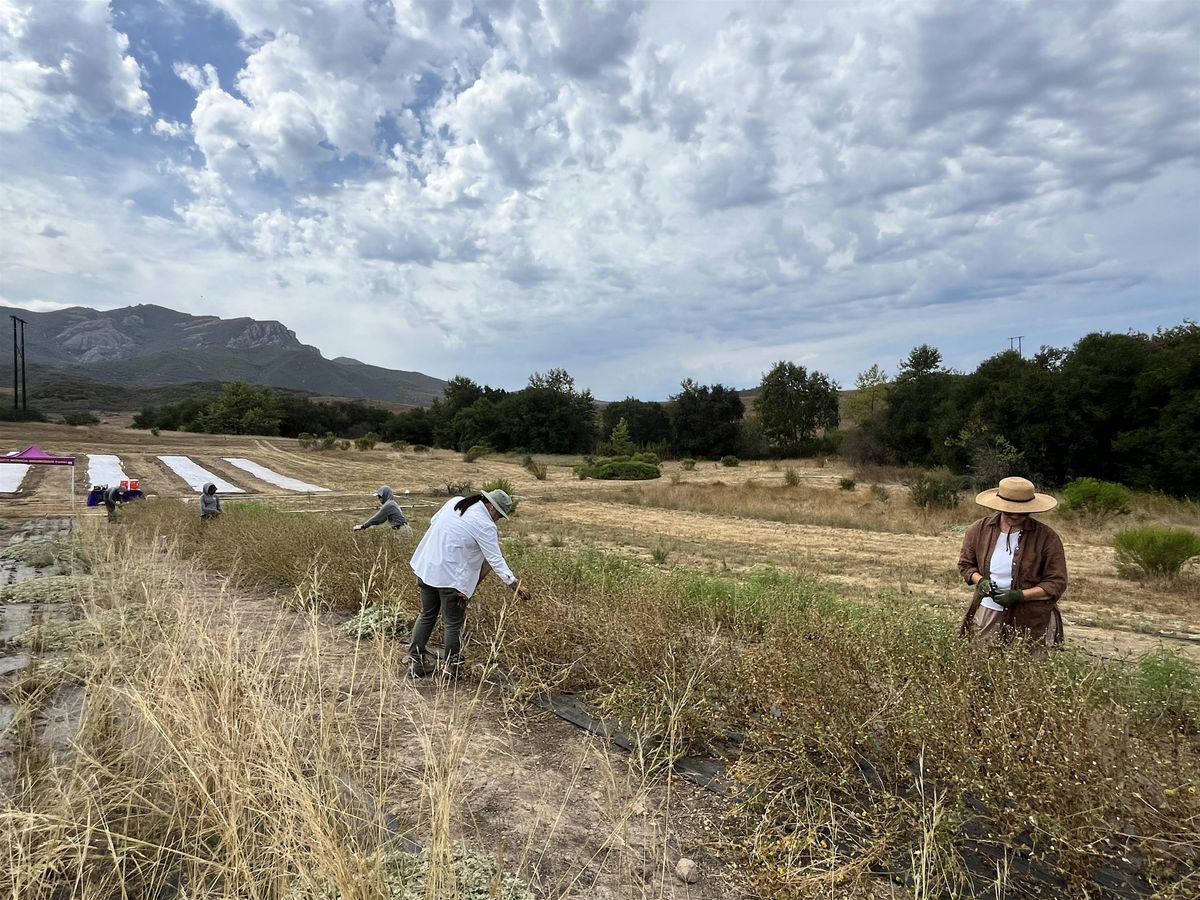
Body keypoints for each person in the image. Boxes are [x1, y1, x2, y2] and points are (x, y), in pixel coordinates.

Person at [408, 488, 530, 678]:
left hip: (426, 567)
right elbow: (495, 559)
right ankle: (451, 669)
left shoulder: (455, 502)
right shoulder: (485, 525)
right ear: (491, 506)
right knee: (452, 623)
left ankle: (415, 661)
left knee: (426, 614)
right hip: (450, 579)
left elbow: (434, 522)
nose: (498, 519)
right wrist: (515, 585)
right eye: (499, 514)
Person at [958, 476, 1068, 652]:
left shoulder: (1047, 537)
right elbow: (966, 565)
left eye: (1022, 512)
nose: (1015, 516)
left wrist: (1019, 596)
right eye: (1010, 512)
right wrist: (981, 581)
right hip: (988, 611)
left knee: (1028, 670)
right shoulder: (978, 530)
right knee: (982, 665)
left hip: (1032, 618)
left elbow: (1056, 583)